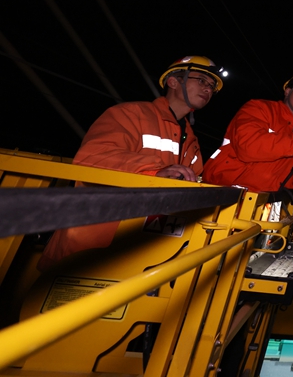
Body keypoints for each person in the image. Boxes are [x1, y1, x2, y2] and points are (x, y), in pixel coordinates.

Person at [37, 55, 225, 271]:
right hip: (91, 250)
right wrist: (156, 172)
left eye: (211, 86)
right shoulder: (131, 114)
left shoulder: (191, 141)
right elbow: (92, 156)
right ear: (173, 82)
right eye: (201, 80)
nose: (208, 88)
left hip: (146, 253)